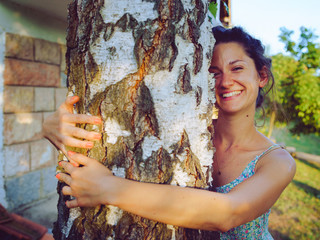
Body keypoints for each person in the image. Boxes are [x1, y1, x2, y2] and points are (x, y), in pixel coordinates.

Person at [43, 26, 296, 239]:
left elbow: (227, 213)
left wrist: (108, 188)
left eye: (237, 68)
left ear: (261, 76)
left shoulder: (277, 162)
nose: (225, 82)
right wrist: (54, 123)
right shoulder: (189, 135)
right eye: (214, 72)